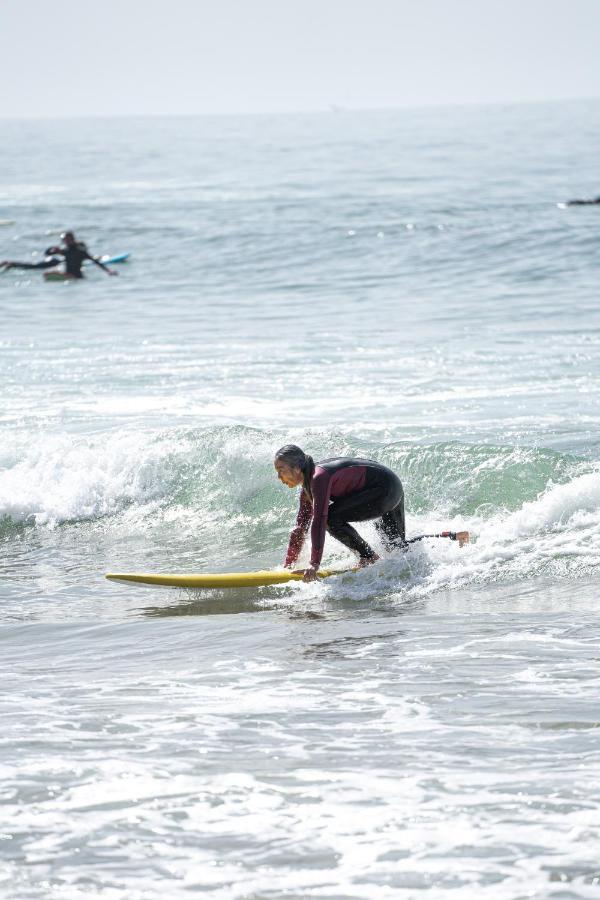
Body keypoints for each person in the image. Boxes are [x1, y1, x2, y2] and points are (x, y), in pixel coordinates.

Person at [275, 444, 407, 582]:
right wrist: (288, 566)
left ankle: (368, 557)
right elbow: (301, 528)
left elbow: (319, 520)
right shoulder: (309, 486)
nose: (279, 476)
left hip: (386, 489)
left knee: (330, 518)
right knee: (396, 549)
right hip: (390, 486)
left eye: (281, 470)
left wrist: (314, 564)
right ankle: (427, 544)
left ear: (296, 468)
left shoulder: (319, 477)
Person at [1, 231, 118, 278]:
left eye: (66, 240)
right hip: (67, 274)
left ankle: (12, 264)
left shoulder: (80, 251)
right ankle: (11, 264)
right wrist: (52, 249)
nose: (64, 242)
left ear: (71, 239)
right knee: (45, 273)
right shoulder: (65, 251)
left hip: (77, 277)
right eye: (63, 240)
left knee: (46, 272)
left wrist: (108, 271)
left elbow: (95, 261)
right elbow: (47, 253)